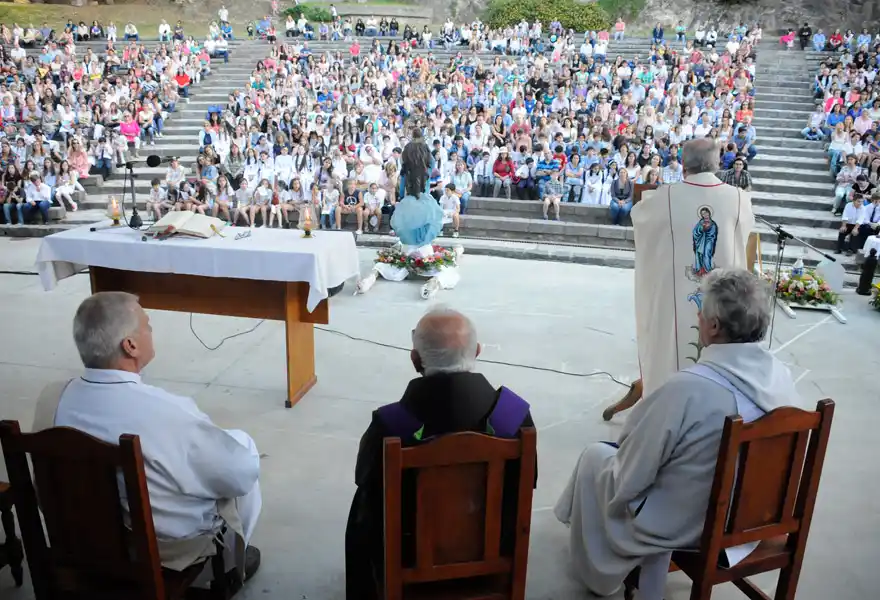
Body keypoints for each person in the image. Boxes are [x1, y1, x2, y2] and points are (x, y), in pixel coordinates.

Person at [555, 269, 800, 600]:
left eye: (700, 308)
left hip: (692, 525)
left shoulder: (688, 388)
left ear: (713, 326)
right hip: (753, 521)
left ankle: (597, 572)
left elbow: (632, 473)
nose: (697, 315)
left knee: (597, 457)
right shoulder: (782, 377)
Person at [33, 292, 263, 581]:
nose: (151, 331)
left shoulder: (52, 398)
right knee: (242, 452)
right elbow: (240, 474)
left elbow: (42, 490)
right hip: (157, 552)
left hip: (78, 541)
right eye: (147, 325)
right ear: (130, 346)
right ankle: (229, 565)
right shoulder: (167, 412)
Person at [344, 308, 536, 600]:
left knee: (363, 501)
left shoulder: (391, 426)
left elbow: (364, 480)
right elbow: (529, 482)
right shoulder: (513, 416)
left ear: (415, 360)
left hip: (410, 556)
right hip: (494, 550)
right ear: (478, 351)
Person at [602, 138, 754, 421]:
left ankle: (665, 409)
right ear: (718, 163)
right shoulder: (738, 199)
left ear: (684, 164)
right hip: (724, 300)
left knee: (671, 345)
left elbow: (640, 218)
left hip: (677, 295)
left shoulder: (665, 198)